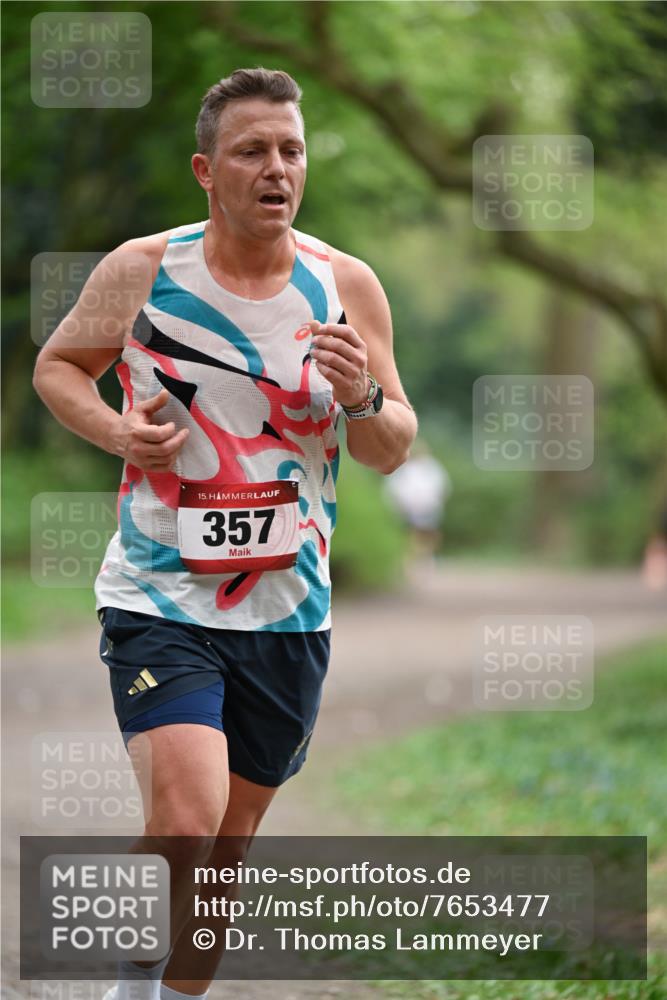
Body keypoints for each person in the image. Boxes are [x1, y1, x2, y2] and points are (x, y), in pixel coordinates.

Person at [32, 68, 417, 1000]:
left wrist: (361, 393)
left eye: (290, 150)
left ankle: (169, 994)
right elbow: (59, 367)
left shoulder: (344, 285)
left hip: (289, 609)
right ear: (206, 170)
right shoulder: (142, 270)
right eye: (251, 151)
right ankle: (129, 990)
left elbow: (391, 447)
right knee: (186, 820)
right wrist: (118, 432)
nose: (276, 168)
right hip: (160, 594)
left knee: (227, 846)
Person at [384, 440, 450, 566]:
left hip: (429, 506)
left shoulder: (432, 467)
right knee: (411, 534)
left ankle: (428, 556)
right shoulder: (402, 468)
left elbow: (442, 486)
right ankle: (413, 558)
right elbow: (393, 489)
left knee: (429, 533)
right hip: (408, 509)